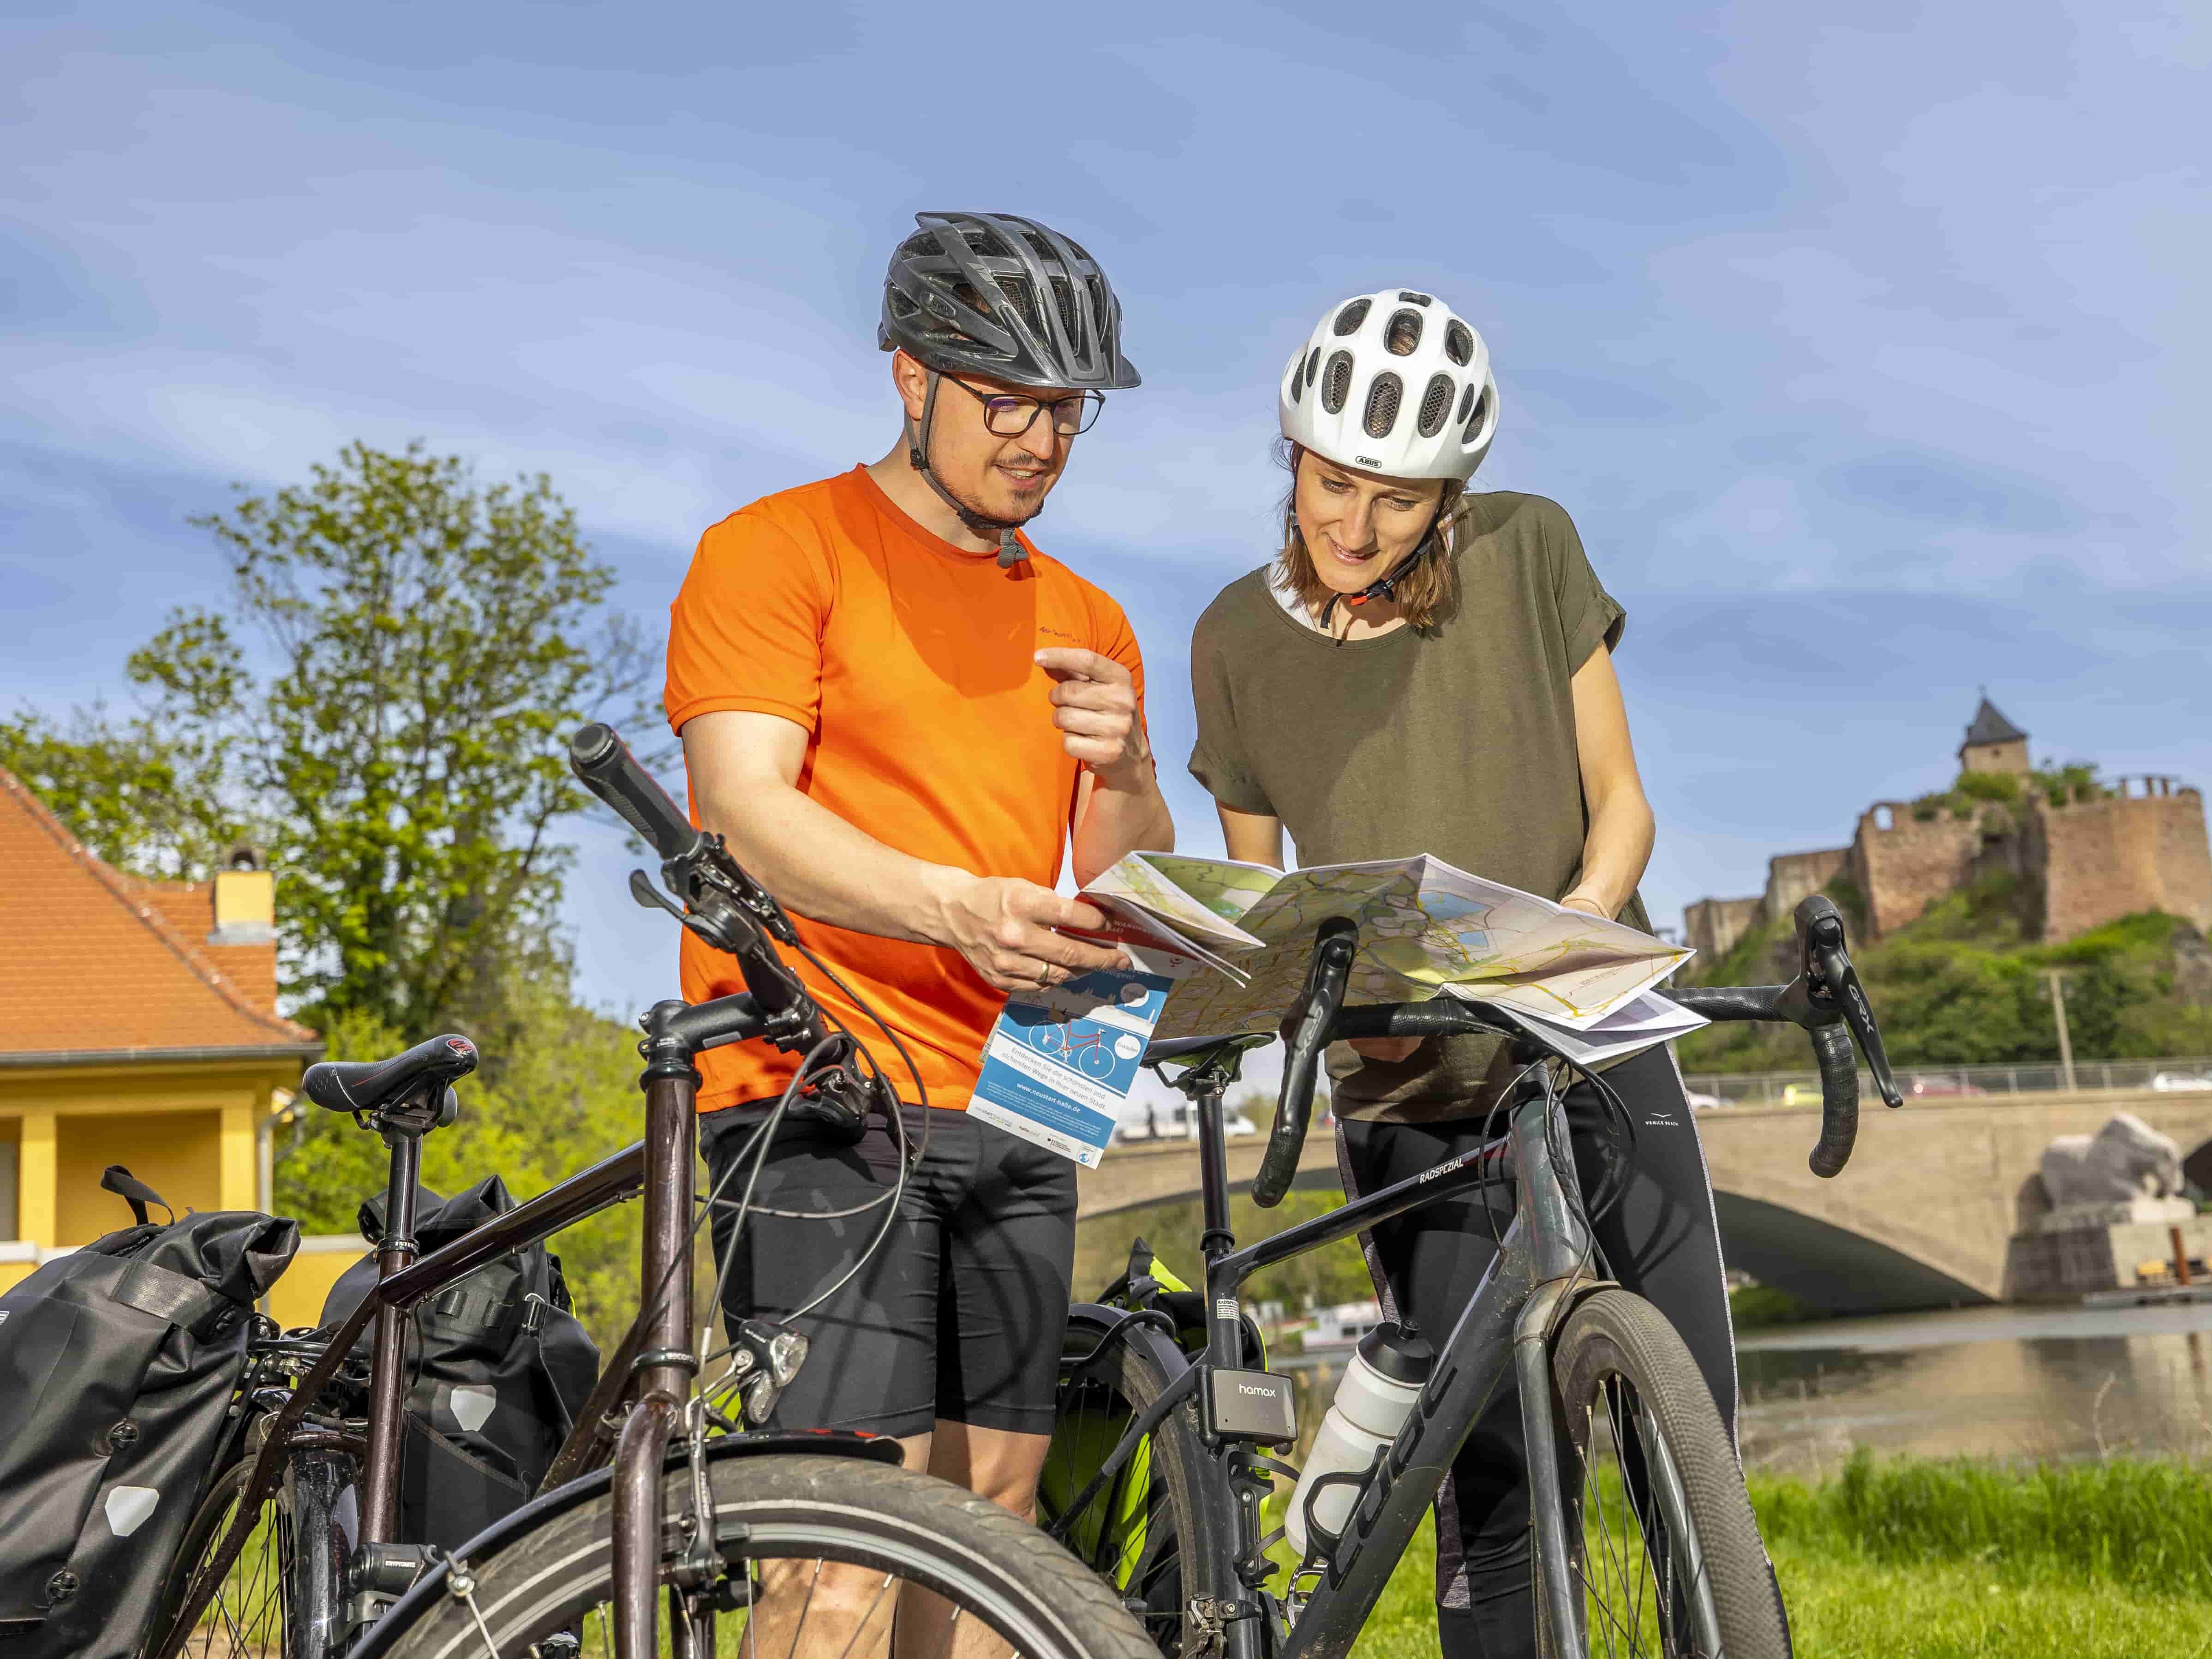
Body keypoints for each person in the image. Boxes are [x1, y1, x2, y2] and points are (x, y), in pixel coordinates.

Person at [1186, 290, 1746, 1657]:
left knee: (1697, 1457)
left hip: (1587, 1023)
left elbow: (1620, 799)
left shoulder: (1530, 548)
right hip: (1400, 1080)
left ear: (1448, 496)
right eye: (1331, 484)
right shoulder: (1230, 643)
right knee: (1486, 1484)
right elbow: (1268, 906)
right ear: (1292, 456)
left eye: (1395, 498)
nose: (1354, 527)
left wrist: (1580, 919)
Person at [664, 211, 1174, 1654]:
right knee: (836, 1547)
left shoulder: (1091, 618)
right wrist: (958, 905)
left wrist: (1129, 774)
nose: (1041, 440)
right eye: (1006, 399)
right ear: (911, 376)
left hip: (1022, 1094)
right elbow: (747, 812)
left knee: (995, 1524)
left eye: (1066, 411)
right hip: (818, 1091)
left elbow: (1115, 887)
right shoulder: (775, 551)